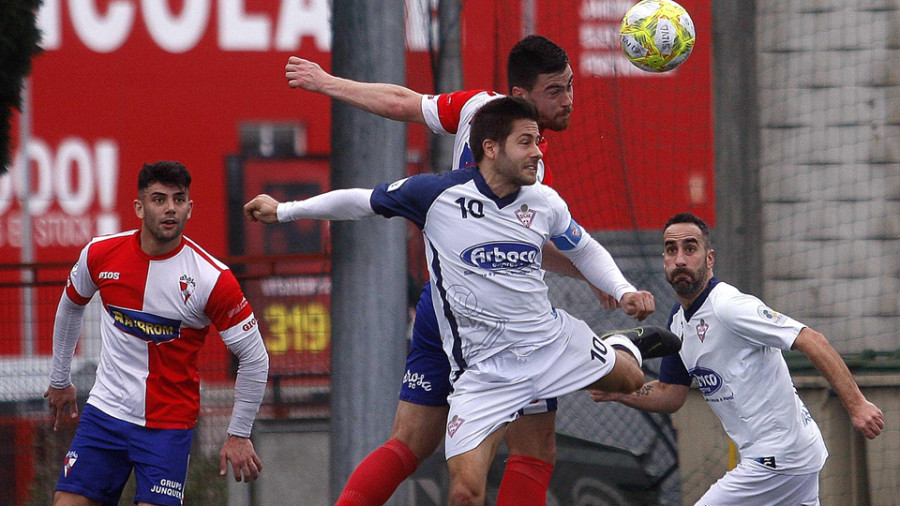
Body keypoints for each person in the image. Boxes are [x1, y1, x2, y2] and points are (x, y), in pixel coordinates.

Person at [245, 96, 681, 505]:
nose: (538, 153)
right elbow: (361, 200)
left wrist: (623, 290)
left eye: (539, 141)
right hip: (483, 373)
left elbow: (582, 248)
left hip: (549, 345)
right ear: (491, 148)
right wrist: (285, 211)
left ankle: (624, 341)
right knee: (464, 493)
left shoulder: (544, 202)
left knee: (626, 379)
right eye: (526, 142)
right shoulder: (436, 195)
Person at [286, 35, 625, 505]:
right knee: (531, 448)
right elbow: (401, 103)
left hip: (440, 304)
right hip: (502, 325)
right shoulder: (516, 159)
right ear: (521, 98)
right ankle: (627, 350)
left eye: (570, 86)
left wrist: (327, 82)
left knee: (411, 444)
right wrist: (327, 82)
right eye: (555, 91)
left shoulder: (485, 116)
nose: (568, 100)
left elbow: (512, 246)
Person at [590, 212, 885, 506]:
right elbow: (670, 394)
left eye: (690, 248)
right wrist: (618, 391)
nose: (680, 259)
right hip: (791, 455)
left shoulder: (729, 306)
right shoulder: (678, 322)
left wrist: (857, 404)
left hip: (778, 459)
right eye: (671, 250)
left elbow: (811, 339)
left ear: (709, 258)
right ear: (664, 260)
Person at [44, 161, 270, 506]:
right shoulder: (101, 254)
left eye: (179, 200)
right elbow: (70, 305)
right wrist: (60, 379)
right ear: (139, 207)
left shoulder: (212, 279)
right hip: (106, 415)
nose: (170, 209)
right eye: (159, 199)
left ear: (189, 208)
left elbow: (255, 358)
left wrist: (239, 433)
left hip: (167, 427)